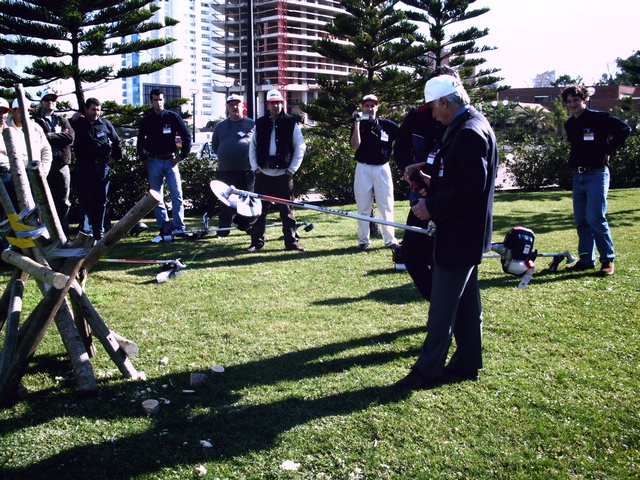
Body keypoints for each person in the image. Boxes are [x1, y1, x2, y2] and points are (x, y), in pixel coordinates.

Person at [394, 75, 498, 390]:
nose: (432, 115)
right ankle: (468, 362)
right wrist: (428, 179)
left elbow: (471, 187)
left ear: (444, 102)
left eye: (433, 108)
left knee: (441, 309)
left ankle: (427, 371)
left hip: (459, 233)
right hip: (465, 233)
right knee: (466, 302)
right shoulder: (470, 124)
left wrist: (432, 207)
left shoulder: (468, 132)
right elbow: (458, 178)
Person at [394, 68, 456, 299]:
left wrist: (438, 181)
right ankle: (439, 306)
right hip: (420, 195)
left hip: (451, 199)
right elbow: (400, 149)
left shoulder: (466, 123)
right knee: (412, 254)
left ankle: (448, 312)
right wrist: (411, 171)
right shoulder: (417, 115)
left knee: (443, 256)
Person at [561, 85, 631, 276]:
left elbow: (625, 129)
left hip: (597, 174)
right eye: (569, 101)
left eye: (576, 100)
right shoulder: (570, 124)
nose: (573, 104)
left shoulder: (598, 118)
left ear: (584, 100)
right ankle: (585, 260)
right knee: (581, 220)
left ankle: (607, 260)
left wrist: (608, 150)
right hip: (578, 175)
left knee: (595, 218)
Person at [247, 89, 306, 252]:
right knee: (259, 211)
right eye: (273, 103)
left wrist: (291, 170)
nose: (276, 105)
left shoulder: (291, 122)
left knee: (287, 211)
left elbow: (300, 146)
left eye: (279, 102)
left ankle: (291, 242)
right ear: (267, 104)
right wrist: (256, 168)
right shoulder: (260, 123)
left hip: (283, 175)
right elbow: (252, 147)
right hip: (263, 174)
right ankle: (256, 243)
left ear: (283, 103)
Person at [137, 88, 192, 235]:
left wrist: (181, 156)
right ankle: (164, 228)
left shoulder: (172, 117)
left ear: (164, 100)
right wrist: (144, 158)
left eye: (161, 99)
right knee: (156, 197)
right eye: (155, 100)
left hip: (170, 161)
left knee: (177, 195)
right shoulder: (147, 120)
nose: (158, 102)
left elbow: (187, 136)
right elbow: (140, 141)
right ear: (151, 101)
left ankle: (179, 227)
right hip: (153, 161)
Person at [350, 94, 399, 251]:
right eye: (366, 106)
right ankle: (363, 240)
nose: (369, 109)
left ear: (377, 107)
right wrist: (356, 124)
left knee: (386, 205)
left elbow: (403, 139)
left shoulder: (387, 125)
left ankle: (390, 239)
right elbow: (354, 146)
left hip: (382, 167)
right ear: (362, 108)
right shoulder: (359, 124)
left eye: (372, 106)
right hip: (363, 167)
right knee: (363, 206)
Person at [69, 97, 121, 241]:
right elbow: (64, 131)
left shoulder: (105, 124)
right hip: (84, 166)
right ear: (86, 109)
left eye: (98, 109)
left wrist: (115, 157)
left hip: (101, 166)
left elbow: (117, 141)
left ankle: (99, 230)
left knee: (101, 200)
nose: (96, 113)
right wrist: (72, 120)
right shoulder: (78, 124)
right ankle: (85, 231)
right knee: (85, 199)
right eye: (93, 109)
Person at [211, 94, 255, 237]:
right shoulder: (220, 126)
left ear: (243, 106)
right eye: (231, 105)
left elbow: (258, 145)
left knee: (247, 200)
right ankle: (224, 230)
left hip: (247, 170)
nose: (234, 107)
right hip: (226, 170)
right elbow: (215, 146)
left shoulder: (252, 124)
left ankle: (247, 226)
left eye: (237, 104)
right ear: (227, 108)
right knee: (225, 202)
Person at [32, 88, 75, 236]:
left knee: (63, 201)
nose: (50, 102)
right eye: (47, 99)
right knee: (42, 200)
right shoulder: (34, 120)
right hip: (43, 166)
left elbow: (70, 137)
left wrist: (48, 136)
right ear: (41, 102)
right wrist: (58, 135)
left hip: (62, 165)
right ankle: (45, 235)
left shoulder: (62, 119)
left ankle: (64, 235)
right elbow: (35, 139)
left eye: (53, 100)